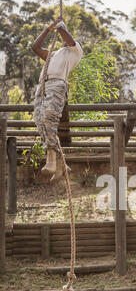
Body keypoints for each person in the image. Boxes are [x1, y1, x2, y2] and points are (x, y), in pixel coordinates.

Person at [33, 18, 83, 181]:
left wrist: (61, 26)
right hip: (43, 86)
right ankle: (60, 160)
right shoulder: (52, 54)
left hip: (57, 84)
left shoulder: (74, 51)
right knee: (39, 119)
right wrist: (48, 30)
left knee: (49, 117)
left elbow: (68, 38)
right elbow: (35, 47)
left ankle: (52, 158)